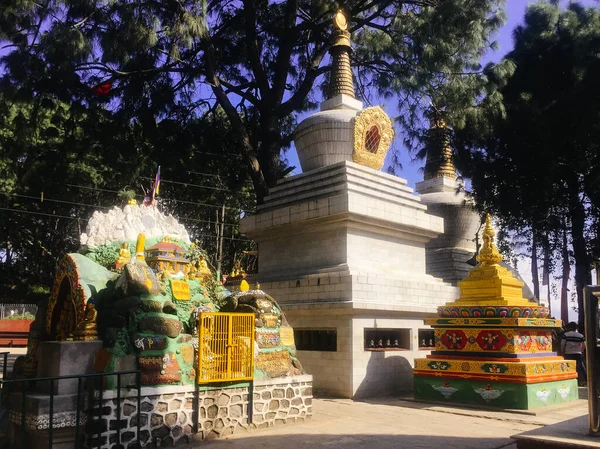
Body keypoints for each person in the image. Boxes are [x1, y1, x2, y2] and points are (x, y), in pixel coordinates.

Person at [561, 321, 587, 386]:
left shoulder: (566, 335)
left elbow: (562, 344)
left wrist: (562, 352)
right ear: (576, 328)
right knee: (580, 367)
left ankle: (569, 380)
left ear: (569, 327)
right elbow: (584, 345)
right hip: (578, 353)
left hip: (568, 353)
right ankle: (582, 380)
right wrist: (580, 350)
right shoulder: (580, 336)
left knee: (568, 367)